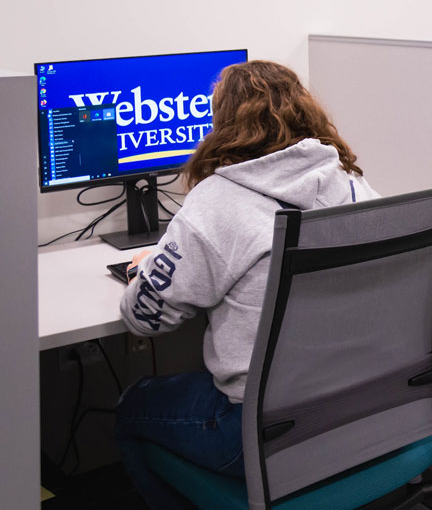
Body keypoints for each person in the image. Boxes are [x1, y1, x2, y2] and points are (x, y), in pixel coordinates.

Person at [114, 60, 379, 508]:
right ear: (305, 111)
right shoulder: (351, 183)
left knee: (131, 404)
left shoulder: (217, 203)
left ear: (222, 124)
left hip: (261, 431)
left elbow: (144, 319)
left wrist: (149, 269)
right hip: (360, 410)